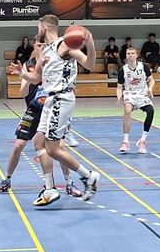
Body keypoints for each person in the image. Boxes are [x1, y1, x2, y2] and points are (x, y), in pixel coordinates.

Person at [10, 14, 100, 205]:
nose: (37, 30)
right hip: (49, 100)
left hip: (61, 98)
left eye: (38, 27)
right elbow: (36, 78)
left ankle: (88, 176)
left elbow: (89, 64)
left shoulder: (64, 45)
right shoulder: (46, 50)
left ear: (43, 27)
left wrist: (90, 43)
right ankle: (50, 189)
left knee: (52, 148)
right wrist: (22, 73)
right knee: (38, 143)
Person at [0, 38, 82, 197]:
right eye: (39, 45)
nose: (42, 47)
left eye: (45, 45)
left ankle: (69, 183)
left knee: (61, 147)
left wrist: (68, 118)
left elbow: (68, 88)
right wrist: (27, 77)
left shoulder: (57, 62)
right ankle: (6, 180)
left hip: (53, 110)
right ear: (34, 47)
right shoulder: (28, 64)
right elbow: (23, 93)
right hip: (33, 110)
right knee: (18, 145)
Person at [117, 47, 155, 154]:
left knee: (151, 111)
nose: (130, 55)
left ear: (136, 55)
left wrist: (150, 88)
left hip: (142, 94)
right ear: (126, 56)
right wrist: (119, 96)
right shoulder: (123, 70)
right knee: (127, 111)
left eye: (132, 53)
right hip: (129, 94)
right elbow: (119, 87)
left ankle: (142, 140)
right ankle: (125, 142)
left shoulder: (143, 67)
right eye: (128, 53)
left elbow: (151, 80)